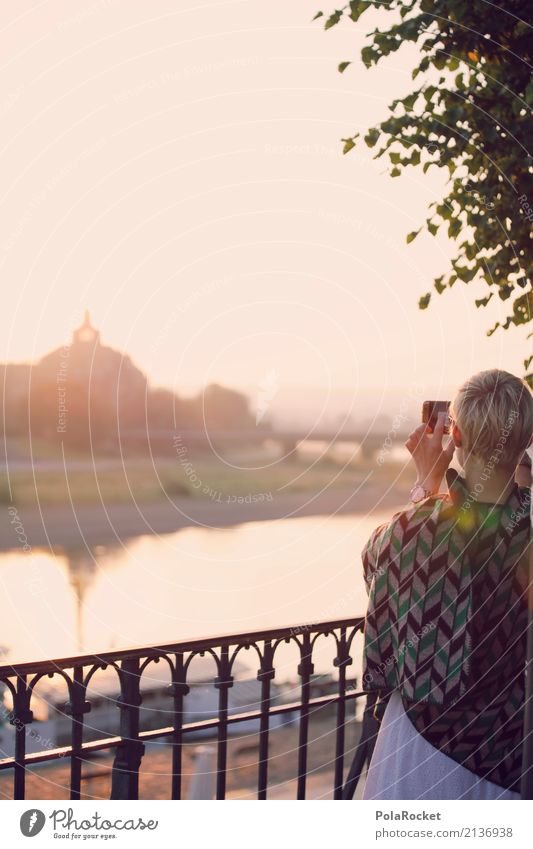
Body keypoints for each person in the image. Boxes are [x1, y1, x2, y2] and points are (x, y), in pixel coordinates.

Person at [361, 369, 532, 800]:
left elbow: (377, 571)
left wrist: (426, 483)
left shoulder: (414, 529)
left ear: (454, 434)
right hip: (510, 757)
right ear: (527, 440)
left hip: (417, 758)